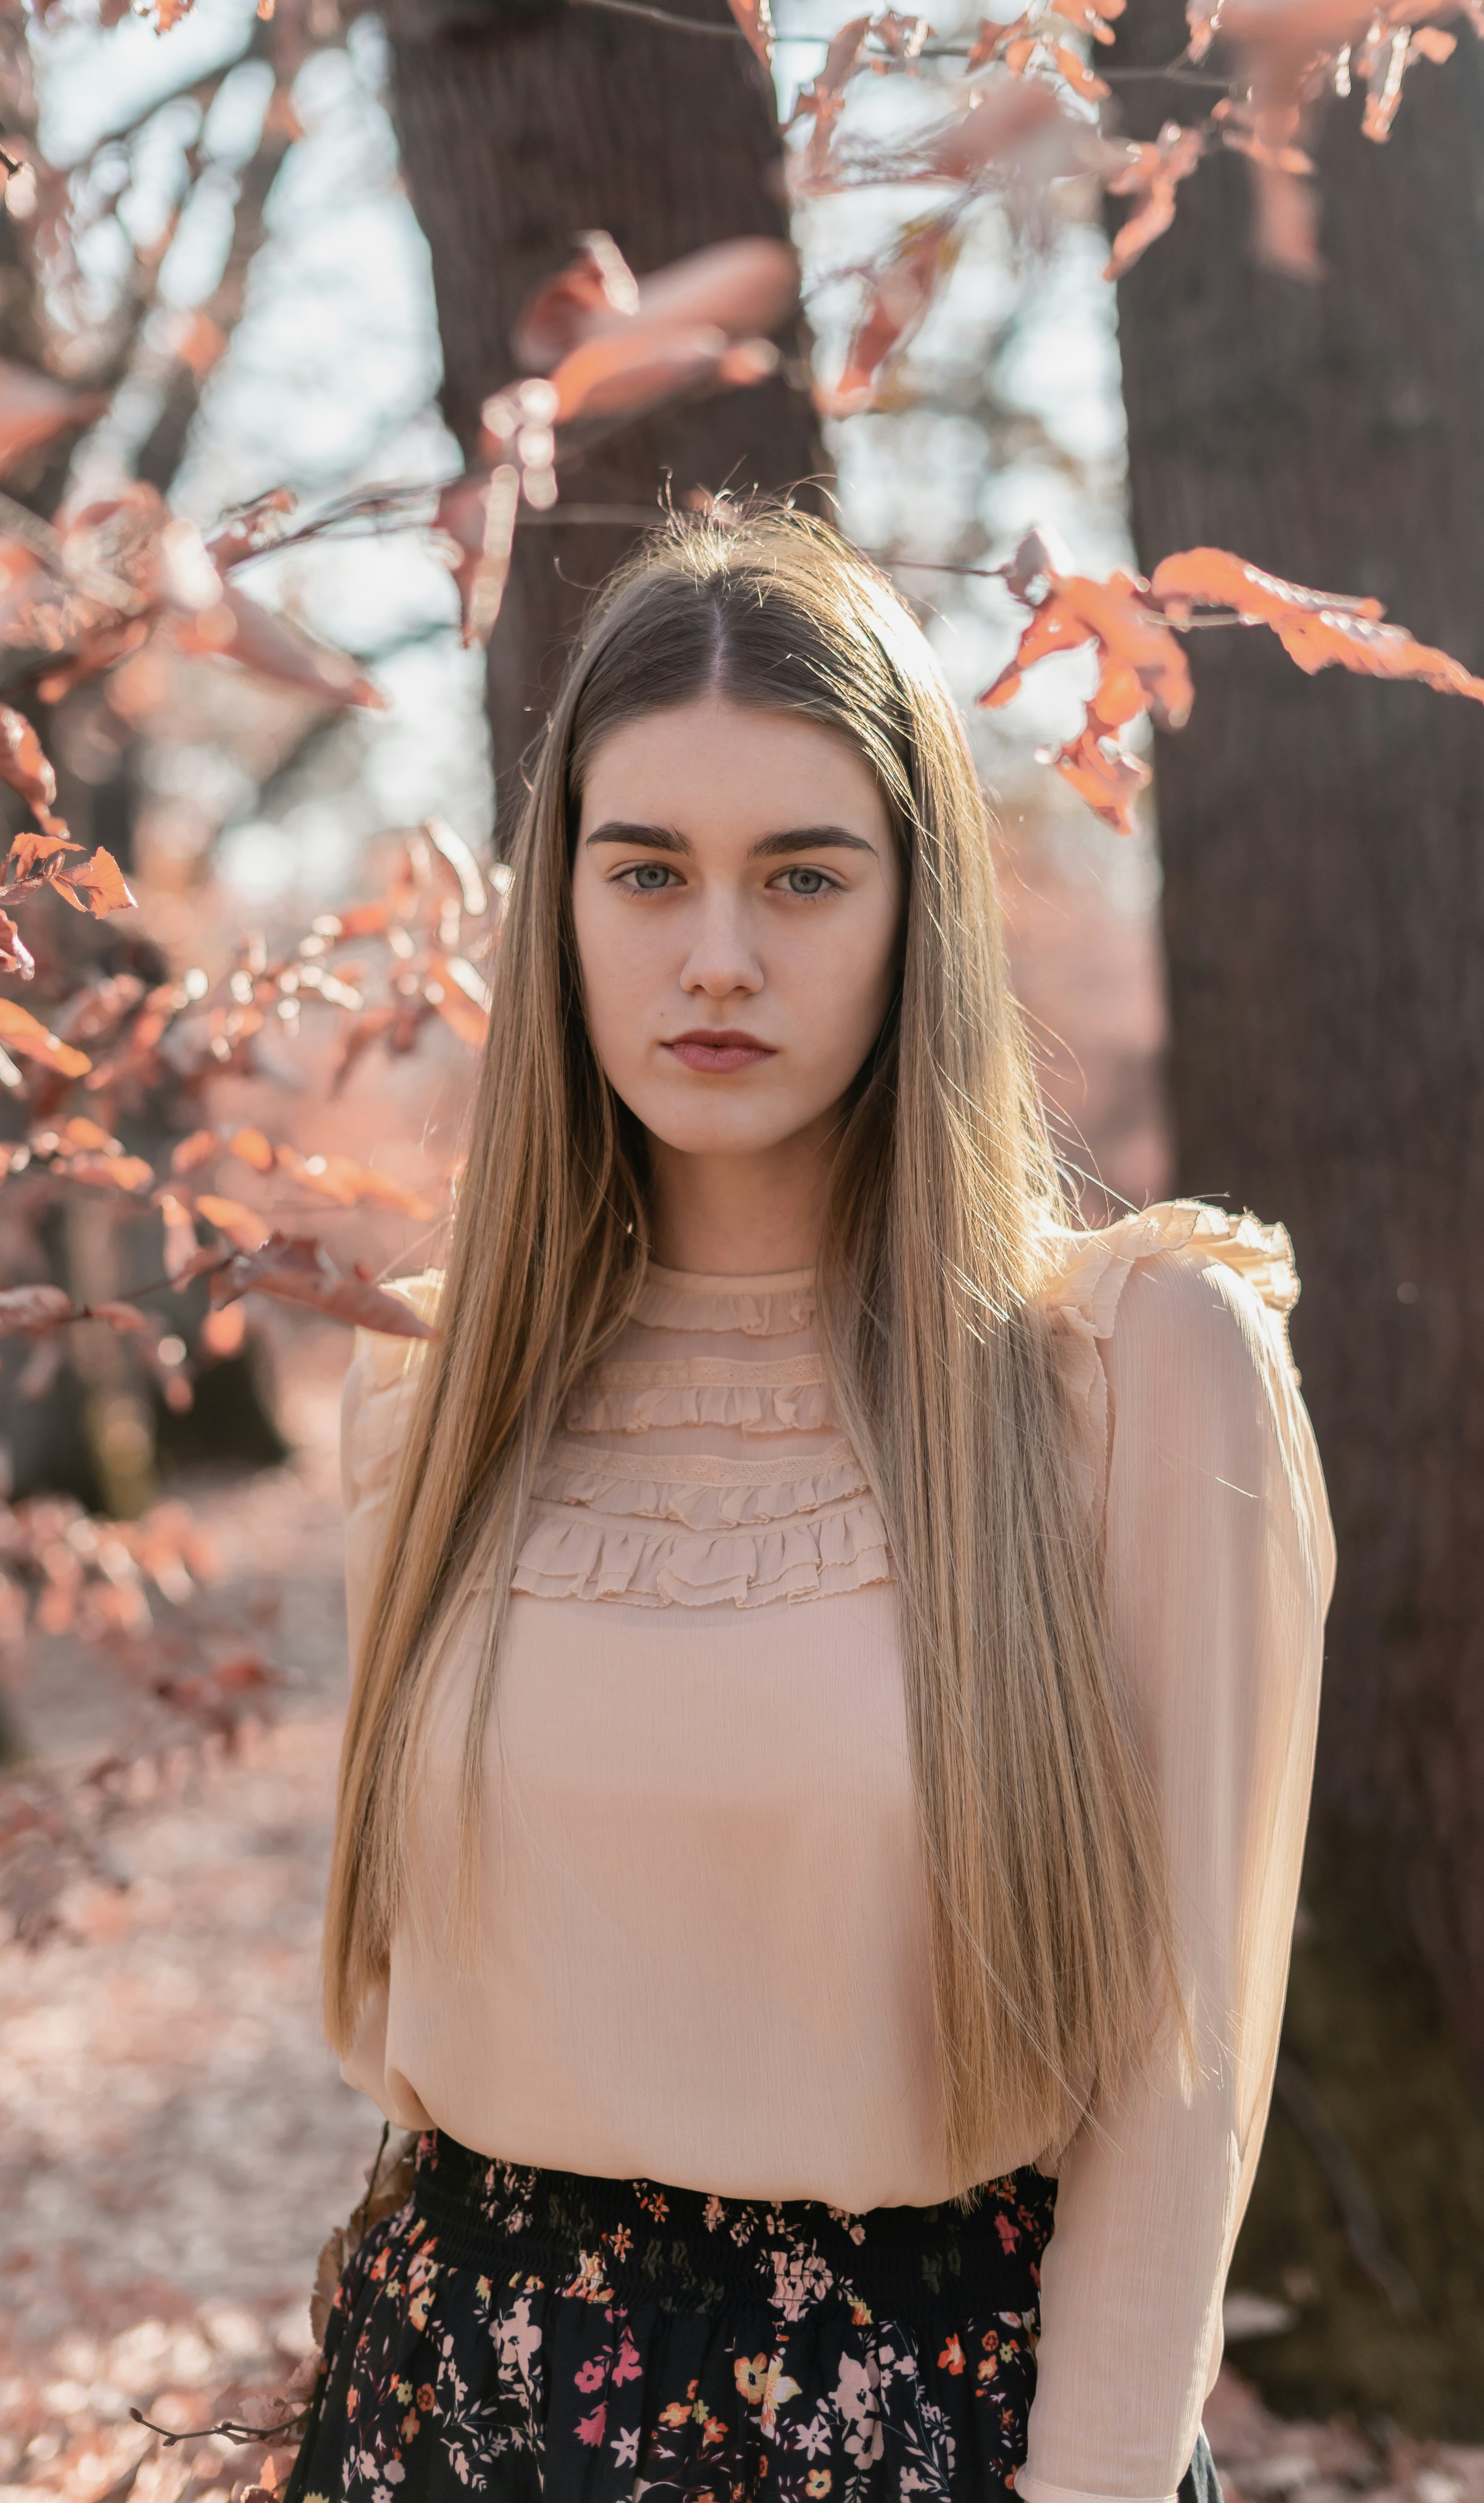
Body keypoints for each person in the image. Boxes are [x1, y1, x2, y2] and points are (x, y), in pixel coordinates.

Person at [290, 509, 1334, 2503]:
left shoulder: (1132, 1368)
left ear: (913, 907)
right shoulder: (428, 1385)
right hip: (455, 2410)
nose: (716, 954)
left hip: (929, 2423)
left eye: (802, 875)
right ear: (561, 906)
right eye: (647, 870)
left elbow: (1182, 2074)